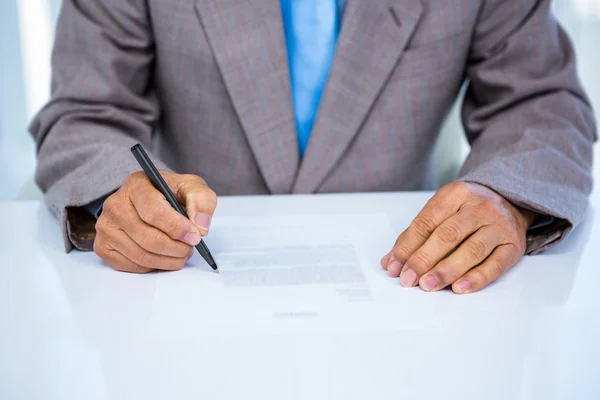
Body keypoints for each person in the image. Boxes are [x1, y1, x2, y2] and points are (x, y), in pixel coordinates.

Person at [30, 0, 596, 294]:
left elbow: (540, 101)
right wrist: (117, 198)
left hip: (414, 313)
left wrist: (505, 195)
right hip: (184, 304)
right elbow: (86, 110)